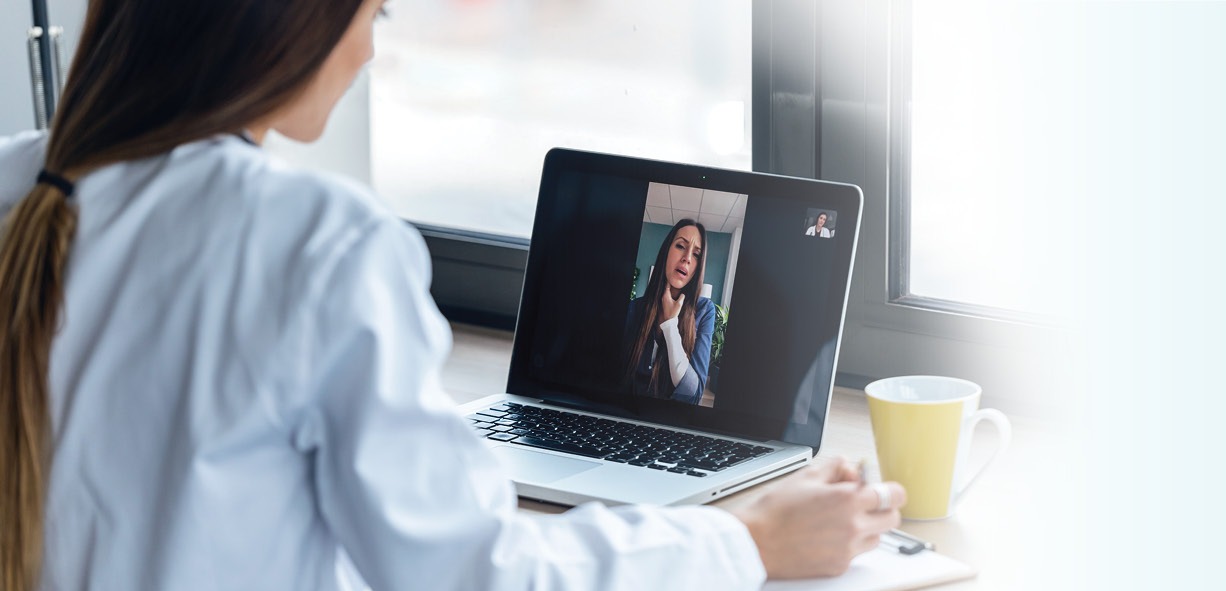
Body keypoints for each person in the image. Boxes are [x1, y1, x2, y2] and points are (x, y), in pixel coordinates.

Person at [0, 1, 905, 590]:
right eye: (373, 12)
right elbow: (478, 576)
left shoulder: (22, 183)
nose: (368, 43)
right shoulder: (311, 241)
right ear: (285, 23)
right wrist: (747, 546)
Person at [624, 219, 714, 405]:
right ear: (666, 252)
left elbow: (693, 395)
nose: (687, 258)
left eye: (696, 254)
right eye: (680, 246)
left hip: (673, 420)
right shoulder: (635, 309)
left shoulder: (705, 311)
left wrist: (670, 325)